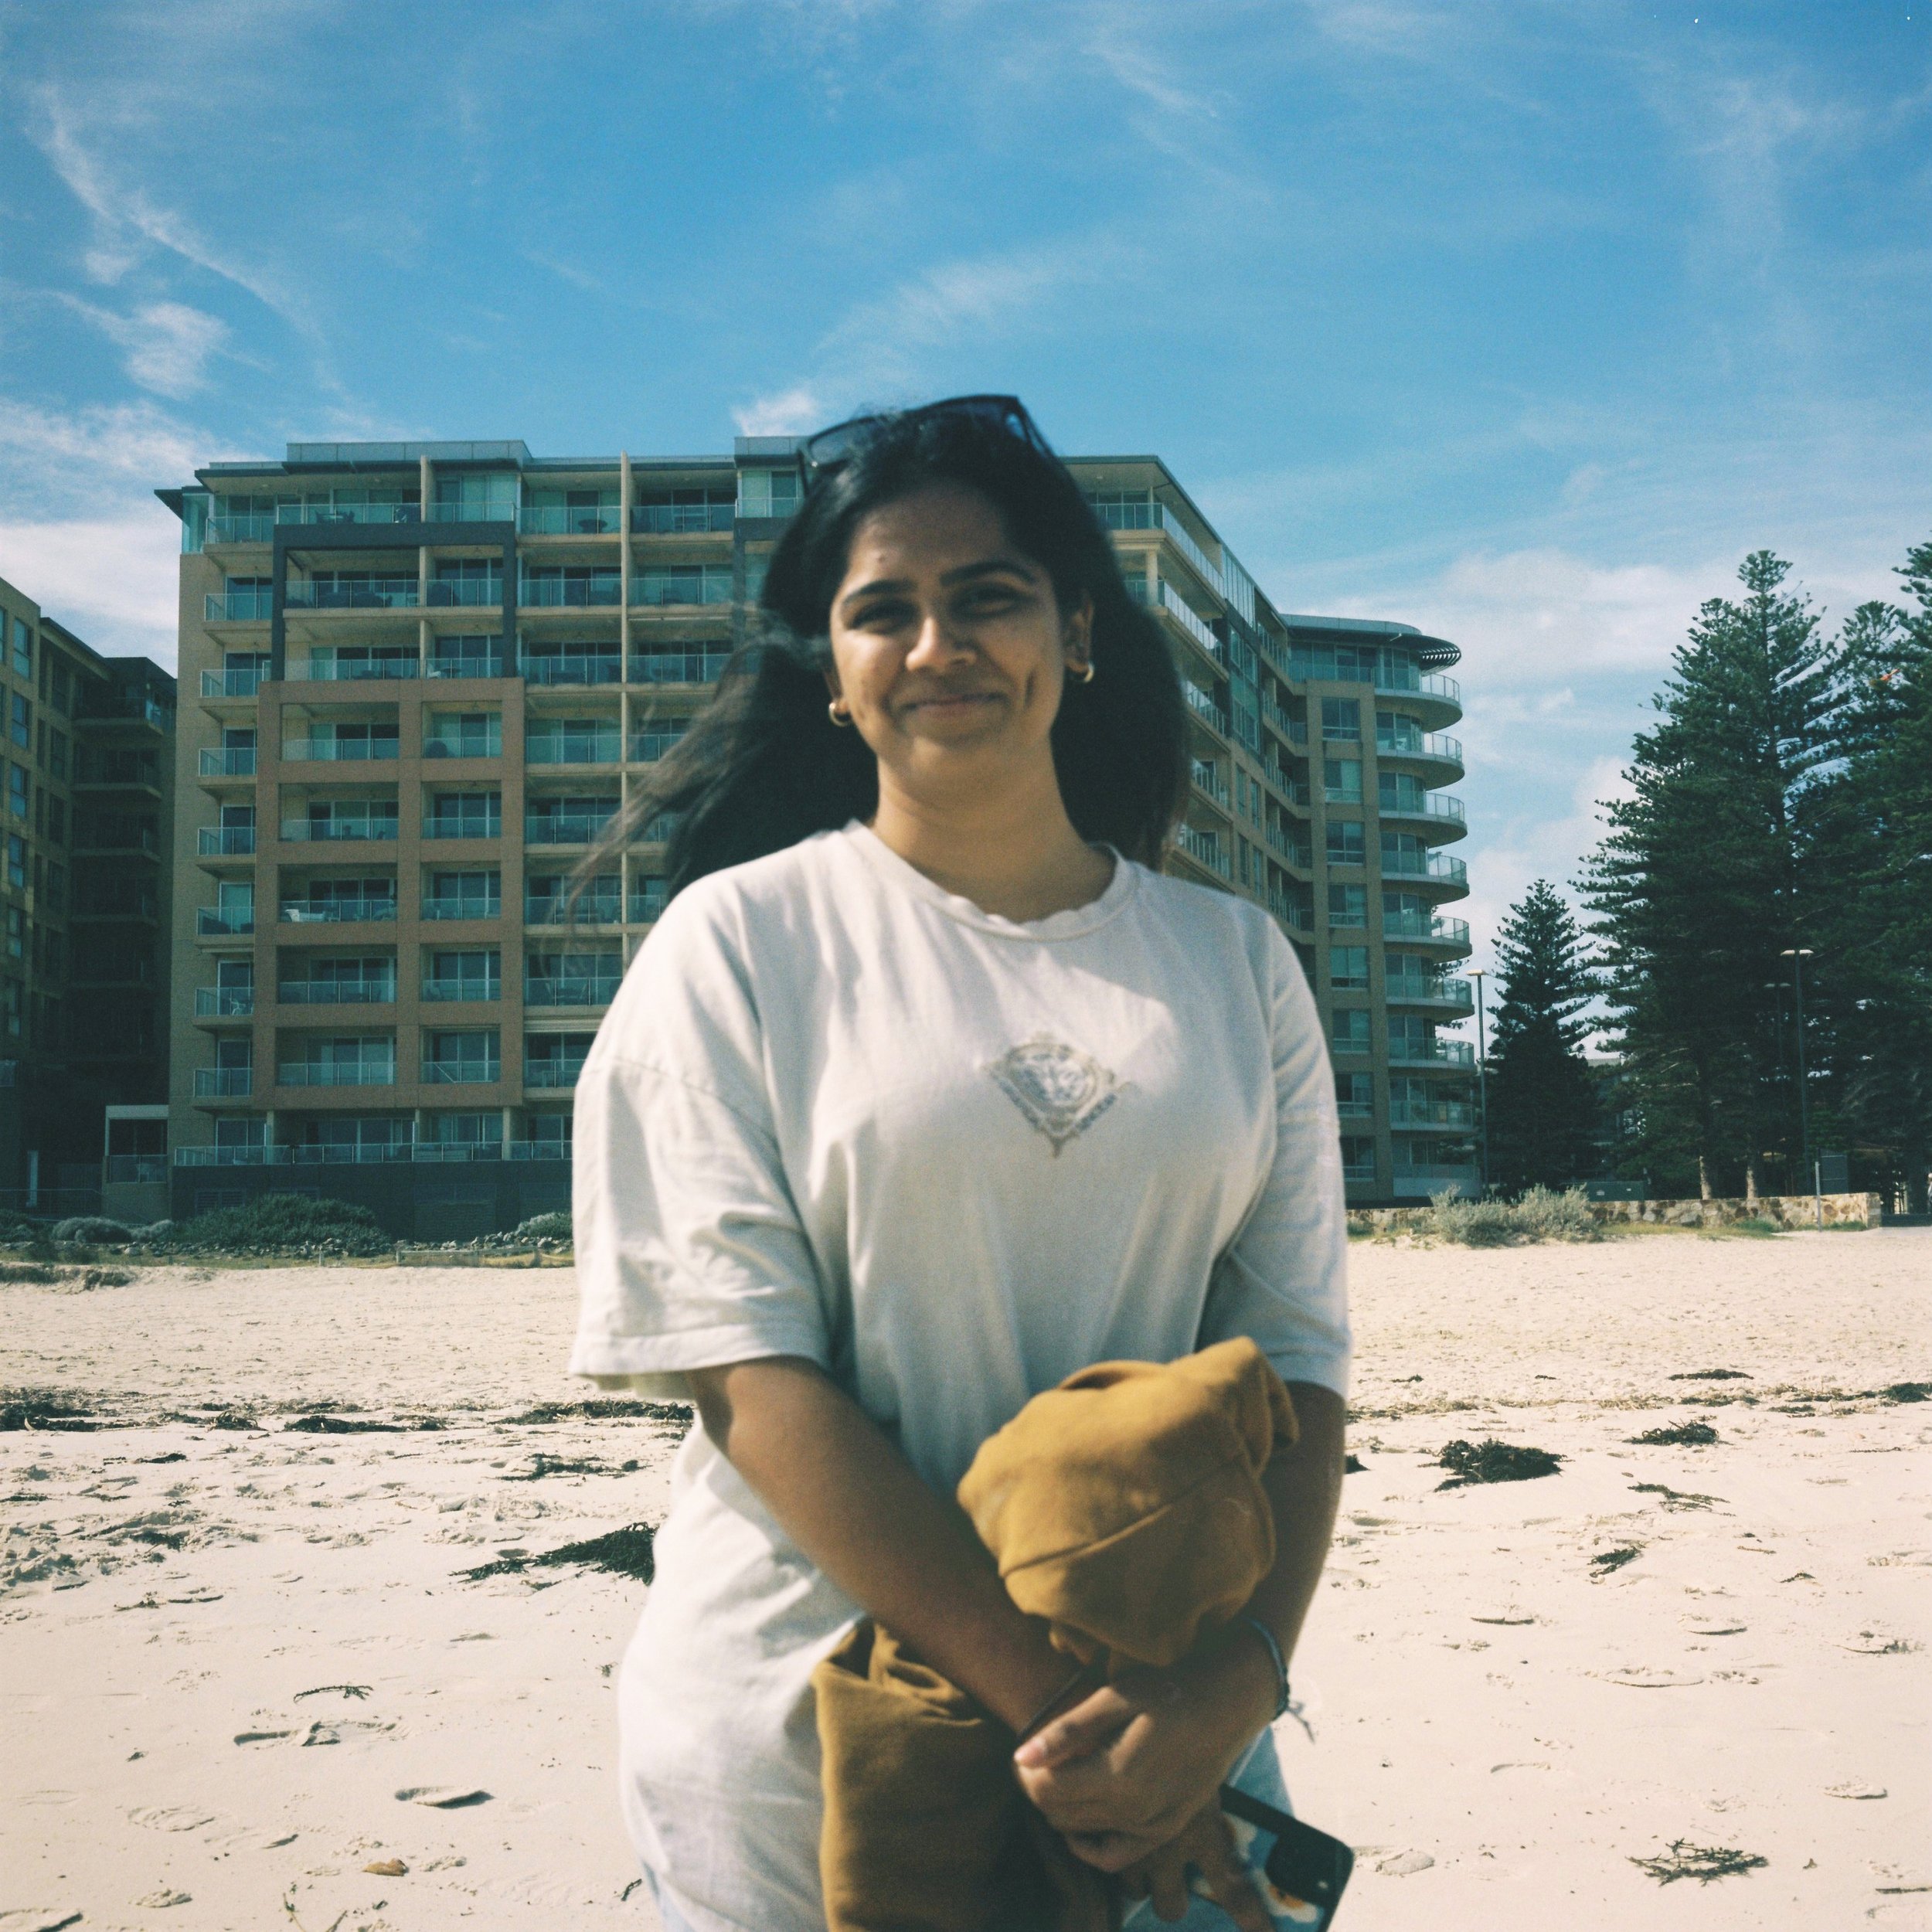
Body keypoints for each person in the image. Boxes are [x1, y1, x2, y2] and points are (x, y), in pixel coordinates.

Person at [568, 396, 1350, 1932]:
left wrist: (1236, 1681)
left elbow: (1297, 1367)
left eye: (986, 594)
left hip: (1174, 1725)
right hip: (803, 1741)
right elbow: (747, 1376)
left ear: (1077, 630)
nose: (938, 643)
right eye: (882, 611)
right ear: (837, 677)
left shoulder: (1232, 962)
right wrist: (1066, 1709)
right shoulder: (737, 945)